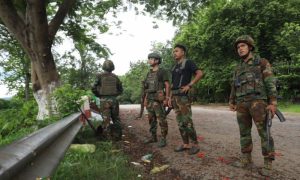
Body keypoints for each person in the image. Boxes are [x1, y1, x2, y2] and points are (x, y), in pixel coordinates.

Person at [229, 35, 277, 177]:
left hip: (258, 102)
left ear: (250, 47)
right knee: (244, 133)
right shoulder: (238, 67)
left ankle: (268, 162)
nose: (240, 49)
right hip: (242, 103)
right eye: (238, 47)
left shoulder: (261, 62)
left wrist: (273, 102)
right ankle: (246, 158)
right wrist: (231, 100)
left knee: (264, 133)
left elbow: (270, 82)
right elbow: (234, 85)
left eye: (243, 46)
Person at [168, 44, 203, 155]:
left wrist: (190, 85)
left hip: (183, 96)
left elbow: (199, 73)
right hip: (175, 96)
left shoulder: (188, 62)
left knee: (187, 121)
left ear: (183, 52)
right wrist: (169, 97)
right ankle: (186, 144)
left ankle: (195, 144)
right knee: (180, 122)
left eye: (177, 51)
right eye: (174, 51)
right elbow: (172, 83)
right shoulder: (174, 67)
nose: (174, 53)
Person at [143, 52, 170, 148]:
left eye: (151, 58)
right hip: (149, 99)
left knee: (162, 120)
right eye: (149, 58)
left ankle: (163, 139)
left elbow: (167, 85)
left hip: (158, 100)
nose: (149, 60)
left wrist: (167, 98)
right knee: (151, 119)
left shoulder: (162, 71)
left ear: (157, 60)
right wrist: (145, 99)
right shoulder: (149, 73)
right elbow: (147, 87)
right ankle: (153, 137)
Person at [92, 60, 123, 140]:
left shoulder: (100, 76)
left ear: (103, 67)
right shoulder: (115, 77)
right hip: (114, 100)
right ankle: (118, 136)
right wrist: (115, 95)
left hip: (104, 99)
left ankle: (107, 137)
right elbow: (120, 89)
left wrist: (98, 95)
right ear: (112, 67)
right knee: (116, 118)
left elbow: (93, 88)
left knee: (106, 119)